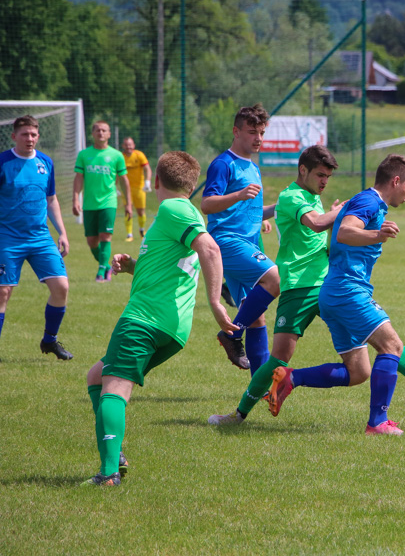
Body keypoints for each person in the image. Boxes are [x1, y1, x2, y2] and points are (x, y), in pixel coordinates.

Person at [208, 146, 405, 426]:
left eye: (328, 177)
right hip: (299, 286)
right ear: (302, 170)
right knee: (279, 358)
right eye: (320, 175)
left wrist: (339, 214)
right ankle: (239, 414)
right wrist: (342, 213)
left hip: (326, 283)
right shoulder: (291, 195)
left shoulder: (313, 198)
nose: (324, 181)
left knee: (361, 367)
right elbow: (317, 225)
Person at [81, 151, 236, 486]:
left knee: (114, 388)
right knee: (97, 377)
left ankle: (108, 474)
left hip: (144, 319)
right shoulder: (185, 213)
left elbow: (209, 250)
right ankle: (115, 454)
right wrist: (135, 266)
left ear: (156, 181)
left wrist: (215, 302)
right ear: (192, 187)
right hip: (171, 328)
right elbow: (176, 263)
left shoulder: (172, 208)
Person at [201, 104, 279, 373]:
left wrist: (274, 212)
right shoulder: (223, 164)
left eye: (261, 132)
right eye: (251, 132)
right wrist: (238, 195)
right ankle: (231, 335)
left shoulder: (253, 167)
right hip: (227, 241)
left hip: (248, 243)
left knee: (256, 314)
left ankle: (260, 386)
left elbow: (251, 209)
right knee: (275, 278)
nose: (258, 138)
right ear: (236, 131)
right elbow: (207, 204)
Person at [0, 115, 73, 361]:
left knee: (61, 287)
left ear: (38, 136)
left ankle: (49, 341)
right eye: (24, 134)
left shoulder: (46, 162)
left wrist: (62, 232)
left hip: (40, 237)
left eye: (33, 134)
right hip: (7, 238)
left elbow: (51, 200)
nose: (30, 139)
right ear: (13, 136)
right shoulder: (3, 162)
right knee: (3, 292)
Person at [72, 121, 133, 282]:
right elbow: (78, 178)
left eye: (104, 130)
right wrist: (75, 199)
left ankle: (101, 272)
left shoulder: (116, 155)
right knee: (92, 241)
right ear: (92, 133)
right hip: (89, 203)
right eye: (97, 130)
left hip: (108, 202)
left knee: (105, 236)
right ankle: (106, 265)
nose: (101, 133)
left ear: (109, 134)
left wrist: (128, 203)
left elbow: (124, 180)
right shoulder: (84, 155)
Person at [121, 137, 152, 242]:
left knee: (140, 211)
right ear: (123, 146)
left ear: (133, 145)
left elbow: (147, 168)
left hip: (139, 188)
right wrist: (116, 185)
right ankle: (129, 234)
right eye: (126, 144)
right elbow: (117, 173)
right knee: (127, 210)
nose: (128, 147)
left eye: (130, 144)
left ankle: (142, 231)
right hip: (126, 189)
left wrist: (147, 181)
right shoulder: (121, 157)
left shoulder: (139, 155)